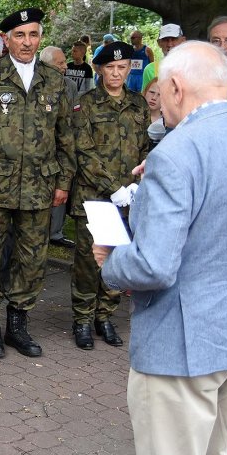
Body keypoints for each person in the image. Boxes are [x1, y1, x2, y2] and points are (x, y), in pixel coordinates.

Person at [94, 41, 227, 455]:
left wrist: (110, 261)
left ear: (176, 87)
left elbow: (154, 266)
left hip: (182, 344)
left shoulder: (176, 153)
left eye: (160, 93)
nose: (157, 104)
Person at [0, 7, 75, 360]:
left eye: (33, 34)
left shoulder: (55, 81)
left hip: (39, 186)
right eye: (20, 35)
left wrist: (63, 180)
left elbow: (65, 136)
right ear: (6, 39)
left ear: (40, 38)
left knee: (32, 258)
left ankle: (18, 327)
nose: (27, 42)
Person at [69, 41, 149, 350]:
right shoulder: (85, 103)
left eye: (122, 67)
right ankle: (83, 320)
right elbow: (83, 151)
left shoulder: (139, 104)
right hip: (94, 196)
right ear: (100, 69)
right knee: (90, 261)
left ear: (129, 68)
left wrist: (136, 183)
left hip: (129, 197)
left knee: (119, 259)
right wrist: (112, 187)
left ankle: (105, 316)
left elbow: (144, 148)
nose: (116, 73)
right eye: (110, 68)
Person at [39, 45, 77, 250]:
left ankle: (56, 232)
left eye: (65, 62)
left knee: (61, 188)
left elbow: (74, 114)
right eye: (60, 63)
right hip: (41, 147)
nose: (65, 66)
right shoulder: (35, 84)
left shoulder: (69, 86)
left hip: (63, 145)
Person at [141, 23, 186, 92]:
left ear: (183, 41)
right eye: (165, 40)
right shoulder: (150, 69)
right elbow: (146, 99)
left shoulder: (193, 68)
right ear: (159, 43)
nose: (169, 44)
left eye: (174, 39)